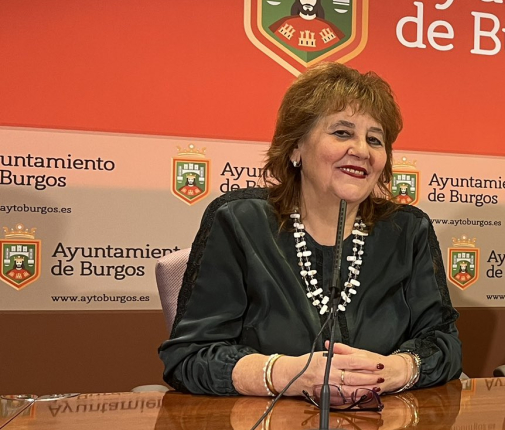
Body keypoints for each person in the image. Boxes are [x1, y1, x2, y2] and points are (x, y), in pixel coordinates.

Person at [159, 63, 461, 396]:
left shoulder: (408, 230)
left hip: (383, 427)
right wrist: (292, 374)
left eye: (375, 139)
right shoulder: (239, 221)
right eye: (342, 133)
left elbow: (444, 345)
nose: (361, 150)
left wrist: (397, 369)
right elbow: (189, 358)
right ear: (296, 148)